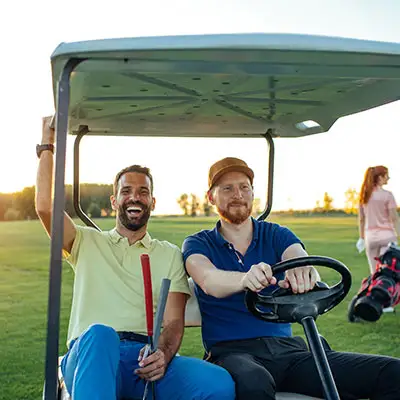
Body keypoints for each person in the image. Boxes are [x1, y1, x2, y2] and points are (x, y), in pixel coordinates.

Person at [35, 117, 235, 400]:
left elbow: (174, 322)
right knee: (101, 335)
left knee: (218, 382)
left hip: (143, 357)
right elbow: (45, 206)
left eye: (143, 192)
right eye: (126, 191)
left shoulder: (168, 254)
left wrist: (163, 355)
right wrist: (47, 144)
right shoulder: (85, 241)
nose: (135, 197)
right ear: (114, 201)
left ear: (152, 202)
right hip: (91, 356)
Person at [182, 156, 400, 400]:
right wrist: (245, 279)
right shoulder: (198, 243)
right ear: (211, 197)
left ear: (253, 193)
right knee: (255, 382)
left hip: (289, 352)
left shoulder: (276, 234)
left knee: (392, 373)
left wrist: (304, 273)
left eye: (244, 187)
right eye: (227, 188)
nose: (238, 194)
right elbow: (209, 280)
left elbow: (299, 257)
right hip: (232, 353)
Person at [357, 166, 400, 276]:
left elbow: (362, 219)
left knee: (374, 272)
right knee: (389, 272)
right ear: (380, 177)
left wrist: (361, 238)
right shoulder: (387, 195)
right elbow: (394, 218)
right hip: (387, 237)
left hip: (370, 237)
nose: (388, 178)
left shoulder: (364, 195)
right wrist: (398, 234)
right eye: (386, 175)